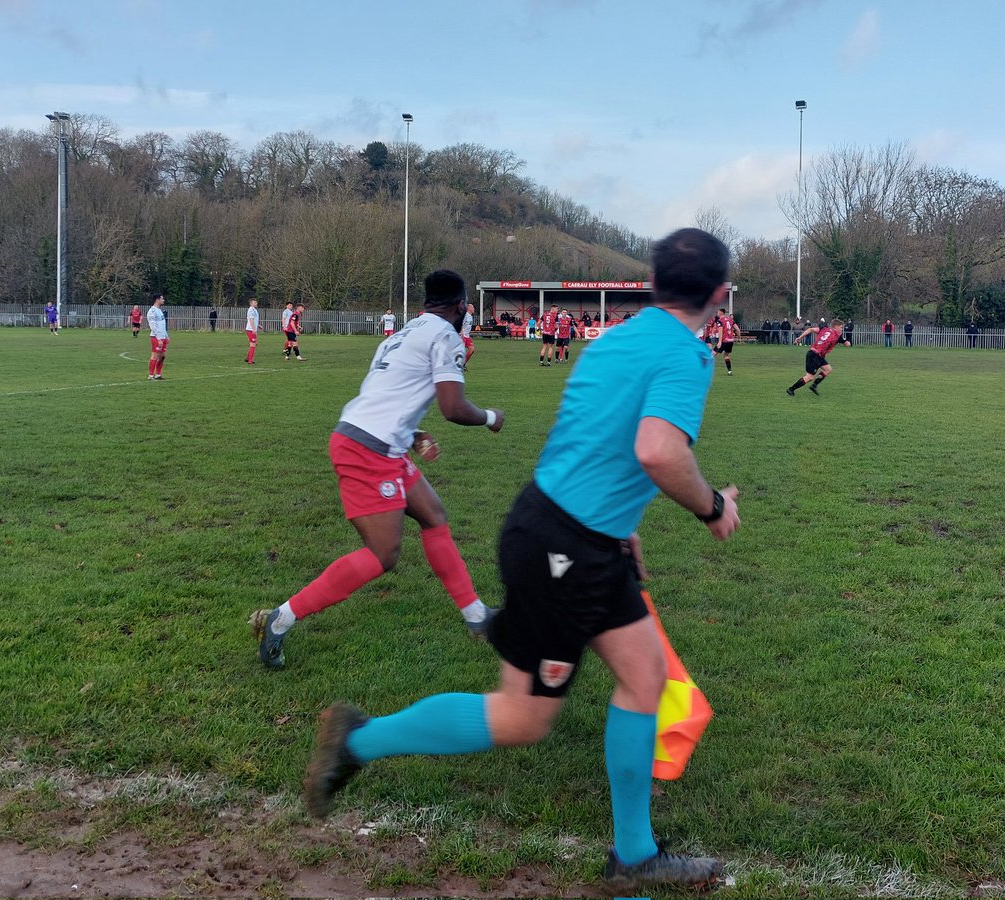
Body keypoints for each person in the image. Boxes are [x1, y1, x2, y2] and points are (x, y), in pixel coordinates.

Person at [303, 229, 739, 896]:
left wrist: (623, 528)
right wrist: (712, 507)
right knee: (521, 717)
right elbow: (656, 451)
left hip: (572, 532)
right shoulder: (687, 354)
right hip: (566, 547)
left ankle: (634, 857)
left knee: (644, 674)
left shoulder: (616, 337)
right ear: (719, 293)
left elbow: (592, 438)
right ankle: (358, 741)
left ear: (654, 285)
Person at [252, 270, 505, 669]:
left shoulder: (401, 333)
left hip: (373, 439)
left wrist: (413, 431)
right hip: (367, 450)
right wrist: (492, 417)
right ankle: (281, 618)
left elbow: (384, 396)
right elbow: (454, 409)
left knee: (433, 514)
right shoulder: (445, 336)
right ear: (460, 307)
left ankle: (476, 616)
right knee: (383, 554)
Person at [787, 317, 849, 396]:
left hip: (818, 355)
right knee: (809, 377)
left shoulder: (824, 329)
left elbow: (810, 329)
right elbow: (847, 344)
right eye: (841, 327)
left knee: (828, 369)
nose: (842, 329)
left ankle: (814, 386)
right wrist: (847, 342)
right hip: (814, 355)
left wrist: (800, 337)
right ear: (835, 327)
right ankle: (791, 389)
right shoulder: (837, 336)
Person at [147, 293, 168, 380]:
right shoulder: (152, 311)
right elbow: (153, 326)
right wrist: (158, 338)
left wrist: (166, 335)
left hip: (163, 337)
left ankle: (158, 374)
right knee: (155, 356)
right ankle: (151, 375)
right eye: (162, 299)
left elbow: (162, 324)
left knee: (162, 356)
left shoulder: (159, 310)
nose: (163, 300)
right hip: (156, 337)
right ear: (157, 300)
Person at [714, 307, 740, 375]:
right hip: (730, 341)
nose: (717, 313)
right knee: (726, 355)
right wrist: (739, 338)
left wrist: (719, 342)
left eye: (717, 312)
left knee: (712, 354)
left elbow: (720, 330)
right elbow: (738, 329)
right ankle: (729, 371)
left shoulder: (720, 321)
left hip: (723, 341)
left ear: (720, 312)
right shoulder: (730, 319)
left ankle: (702, 371)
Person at [244, 298, 260, 364]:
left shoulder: (254, 310)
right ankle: (250, 361)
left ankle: (248, 358)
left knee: (254, 344)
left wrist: (258, 325)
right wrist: (253, 329)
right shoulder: (251, 310)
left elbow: (254, 320)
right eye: (254, 302)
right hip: (250, 330)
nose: (256, 303)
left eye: (256, 302)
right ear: (251, 303)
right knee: (253, 345)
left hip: (252, 329)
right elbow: (251, 319)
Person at [461, 303, 476, 370]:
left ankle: (463, 364)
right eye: (472, 307)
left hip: (467, 336)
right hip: (462, 335)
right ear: (469, 308)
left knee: (472, 350)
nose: (474, 309)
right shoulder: (465, 315)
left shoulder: (470, 316)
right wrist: (461, 332)